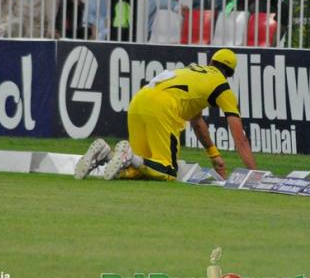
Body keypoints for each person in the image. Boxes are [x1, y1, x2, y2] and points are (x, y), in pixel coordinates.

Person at [74, 48, 257, 181]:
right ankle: (128, 155)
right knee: (168, 171)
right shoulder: (222, 87)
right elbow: (240, 138)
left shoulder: (191, 71)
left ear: (211, 63)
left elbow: (197, 121)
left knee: (140, 169)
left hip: (139, 100)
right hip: (162, 107)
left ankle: (106, 154)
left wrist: (214, 155)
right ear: (230, 74)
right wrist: (254, 174)